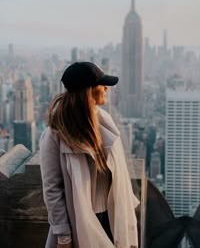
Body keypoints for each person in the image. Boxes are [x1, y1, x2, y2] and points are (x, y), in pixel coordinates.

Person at [39, 61, 139, 248]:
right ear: (88, 90)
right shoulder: (55, 134)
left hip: (111, 217)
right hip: (80, 221)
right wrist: (63, 236)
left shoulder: (105, 121)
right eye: (102, 85)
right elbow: (52, 188)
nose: (107, 89)